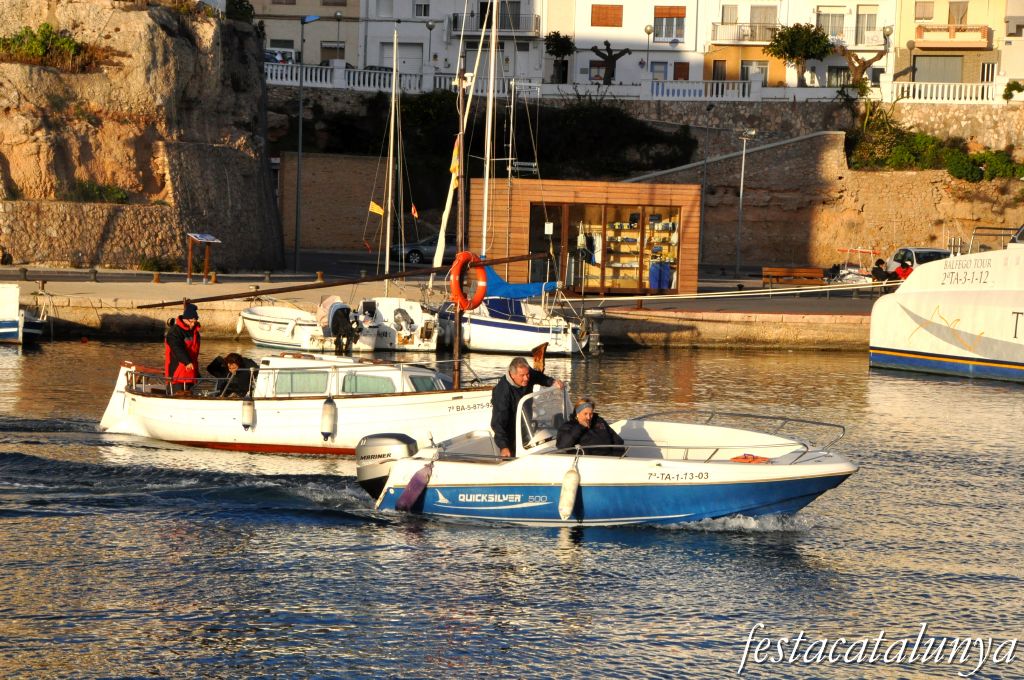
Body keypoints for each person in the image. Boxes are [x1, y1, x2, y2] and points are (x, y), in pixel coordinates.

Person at [490, 356, 564, 459]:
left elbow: (539, 377)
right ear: (512, 375)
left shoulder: (528, 374)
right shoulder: (502, 392)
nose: (526, 378)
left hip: (526, 423)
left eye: (527, 374)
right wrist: (503, 446)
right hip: (510, 428)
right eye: (522, 375)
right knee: (512, 453)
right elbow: (498, 423)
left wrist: (552, 382)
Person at [556, 398, 624, 456]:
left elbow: (617, 440)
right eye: (585, 414)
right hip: (588, 461)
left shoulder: (599, 421)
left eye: (591, 414)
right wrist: (580, 426)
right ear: (577, 414)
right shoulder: (568, 426)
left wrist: (616, 456)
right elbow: (562, 446)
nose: (588, 417)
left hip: (610, 459)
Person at [164, 303, 201, 393]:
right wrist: (187, 361)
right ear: (185, 319)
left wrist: (196, 372)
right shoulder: (174, 332)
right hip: (177, 374)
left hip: (191, 374)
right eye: (191, 321)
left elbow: (194, 354)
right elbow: (177, 348)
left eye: (194, 322)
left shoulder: (195, 332)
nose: (192, 324)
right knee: (175, 395)